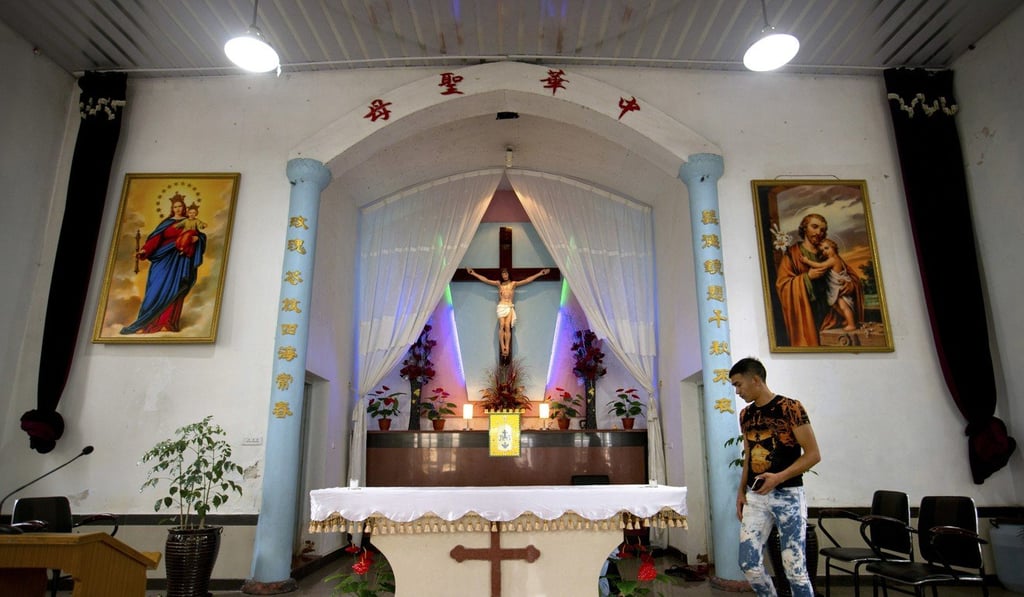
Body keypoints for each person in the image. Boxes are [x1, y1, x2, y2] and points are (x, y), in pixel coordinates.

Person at [731, 357, 821, 597]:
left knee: (795, 570)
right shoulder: (746, 415)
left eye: (739, 385)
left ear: (756, 380)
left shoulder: (790, 408)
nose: (737, 391)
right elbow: (749, 456)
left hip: (788, 495)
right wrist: (741, 492)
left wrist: (778, 478)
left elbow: (813, 455)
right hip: (756, 496)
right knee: (748, 564)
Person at [120, 193, 207, 334]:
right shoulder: (166, 224)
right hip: (163, 259)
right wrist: (144, 250)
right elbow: (155, 240)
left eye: (180, 206)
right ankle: (145, 323)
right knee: (155, 290)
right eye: (175, 207)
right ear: (172, 208)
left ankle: (167, 322)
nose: (178, 209)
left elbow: (200, 235)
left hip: (180, 260)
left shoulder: (190, 221)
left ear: (184, 207)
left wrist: (197, 238)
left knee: (176, 289)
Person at [465, 267, 550, 358]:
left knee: (507, 326)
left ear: (508, 274)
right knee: (501, 325)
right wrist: (473, 273)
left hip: (509, 306)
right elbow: (486, 280)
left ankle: (507, 347)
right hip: (501, 306)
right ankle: (502, 346)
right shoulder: (499, 284)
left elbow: (527, 280)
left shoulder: (513, 284)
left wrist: (540, 273)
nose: (504, 275)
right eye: (503, 274)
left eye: (506, 274)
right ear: (501, 275)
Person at [774, 213, 830, 346]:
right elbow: (783, 284)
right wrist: (807, 278)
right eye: (814, 227)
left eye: (822, 230)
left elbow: (844, 274)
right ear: (804, 228)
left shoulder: (828, 252)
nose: (818, 232)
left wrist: (850, 286)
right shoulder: (792, 254)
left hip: (829, 312)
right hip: (806, 312)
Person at [800, 238, 863, 332]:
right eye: (822, 250)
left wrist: (807, 261)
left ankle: (851, 324)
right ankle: (847, 319)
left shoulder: (833, 259)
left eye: (827, 248)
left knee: (843, 306)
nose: (825, 252)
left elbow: (820, 266)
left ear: (833, 247)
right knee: (835, 305)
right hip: (836, 287)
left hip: (839, 288)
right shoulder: (836, 259)